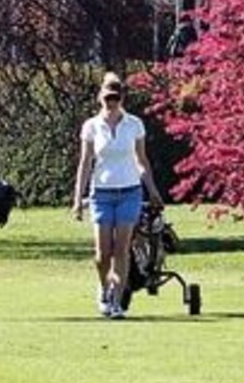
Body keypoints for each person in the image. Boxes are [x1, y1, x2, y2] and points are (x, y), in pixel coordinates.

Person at [71, 72, 164, 319]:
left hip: (129, 192)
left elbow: (141, 160)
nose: (111, 103)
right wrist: (77, 200)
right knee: (102, 255)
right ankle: (104, 286)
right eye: (107, 98)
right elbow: (85, 162)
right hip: (101, 193)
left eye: (116, 98)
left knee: (122, 249)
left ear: (122, 98)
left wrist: (152, 190)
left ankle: (116, 300)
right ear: (100, 97)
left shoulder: (134, 124)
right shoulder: (91, 126)